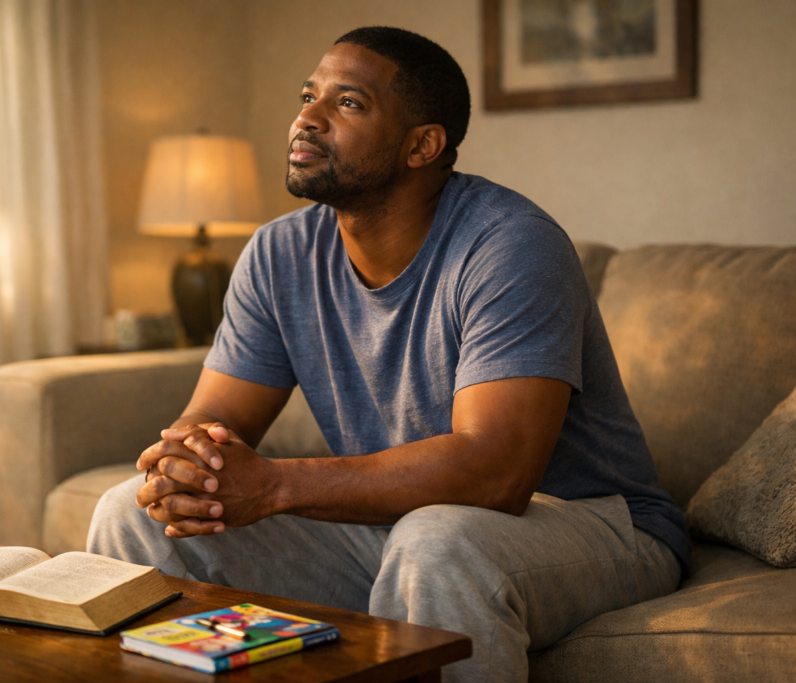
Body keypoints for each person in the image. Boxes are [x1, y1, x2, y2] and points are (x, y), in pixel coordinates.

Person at [88, 26, 689, 683]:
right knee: (130, 513)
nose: (306, 118)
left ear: (422, 145)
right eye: (307, 95)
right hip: (397, 526)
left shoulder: (509, 246)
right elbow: (211, 424)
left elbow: (498, 472)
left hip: (594, 525)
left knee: (438, 543)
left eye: (347, 103)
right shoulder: (277, 254)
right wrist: (184, 466)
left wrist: (277, 483)